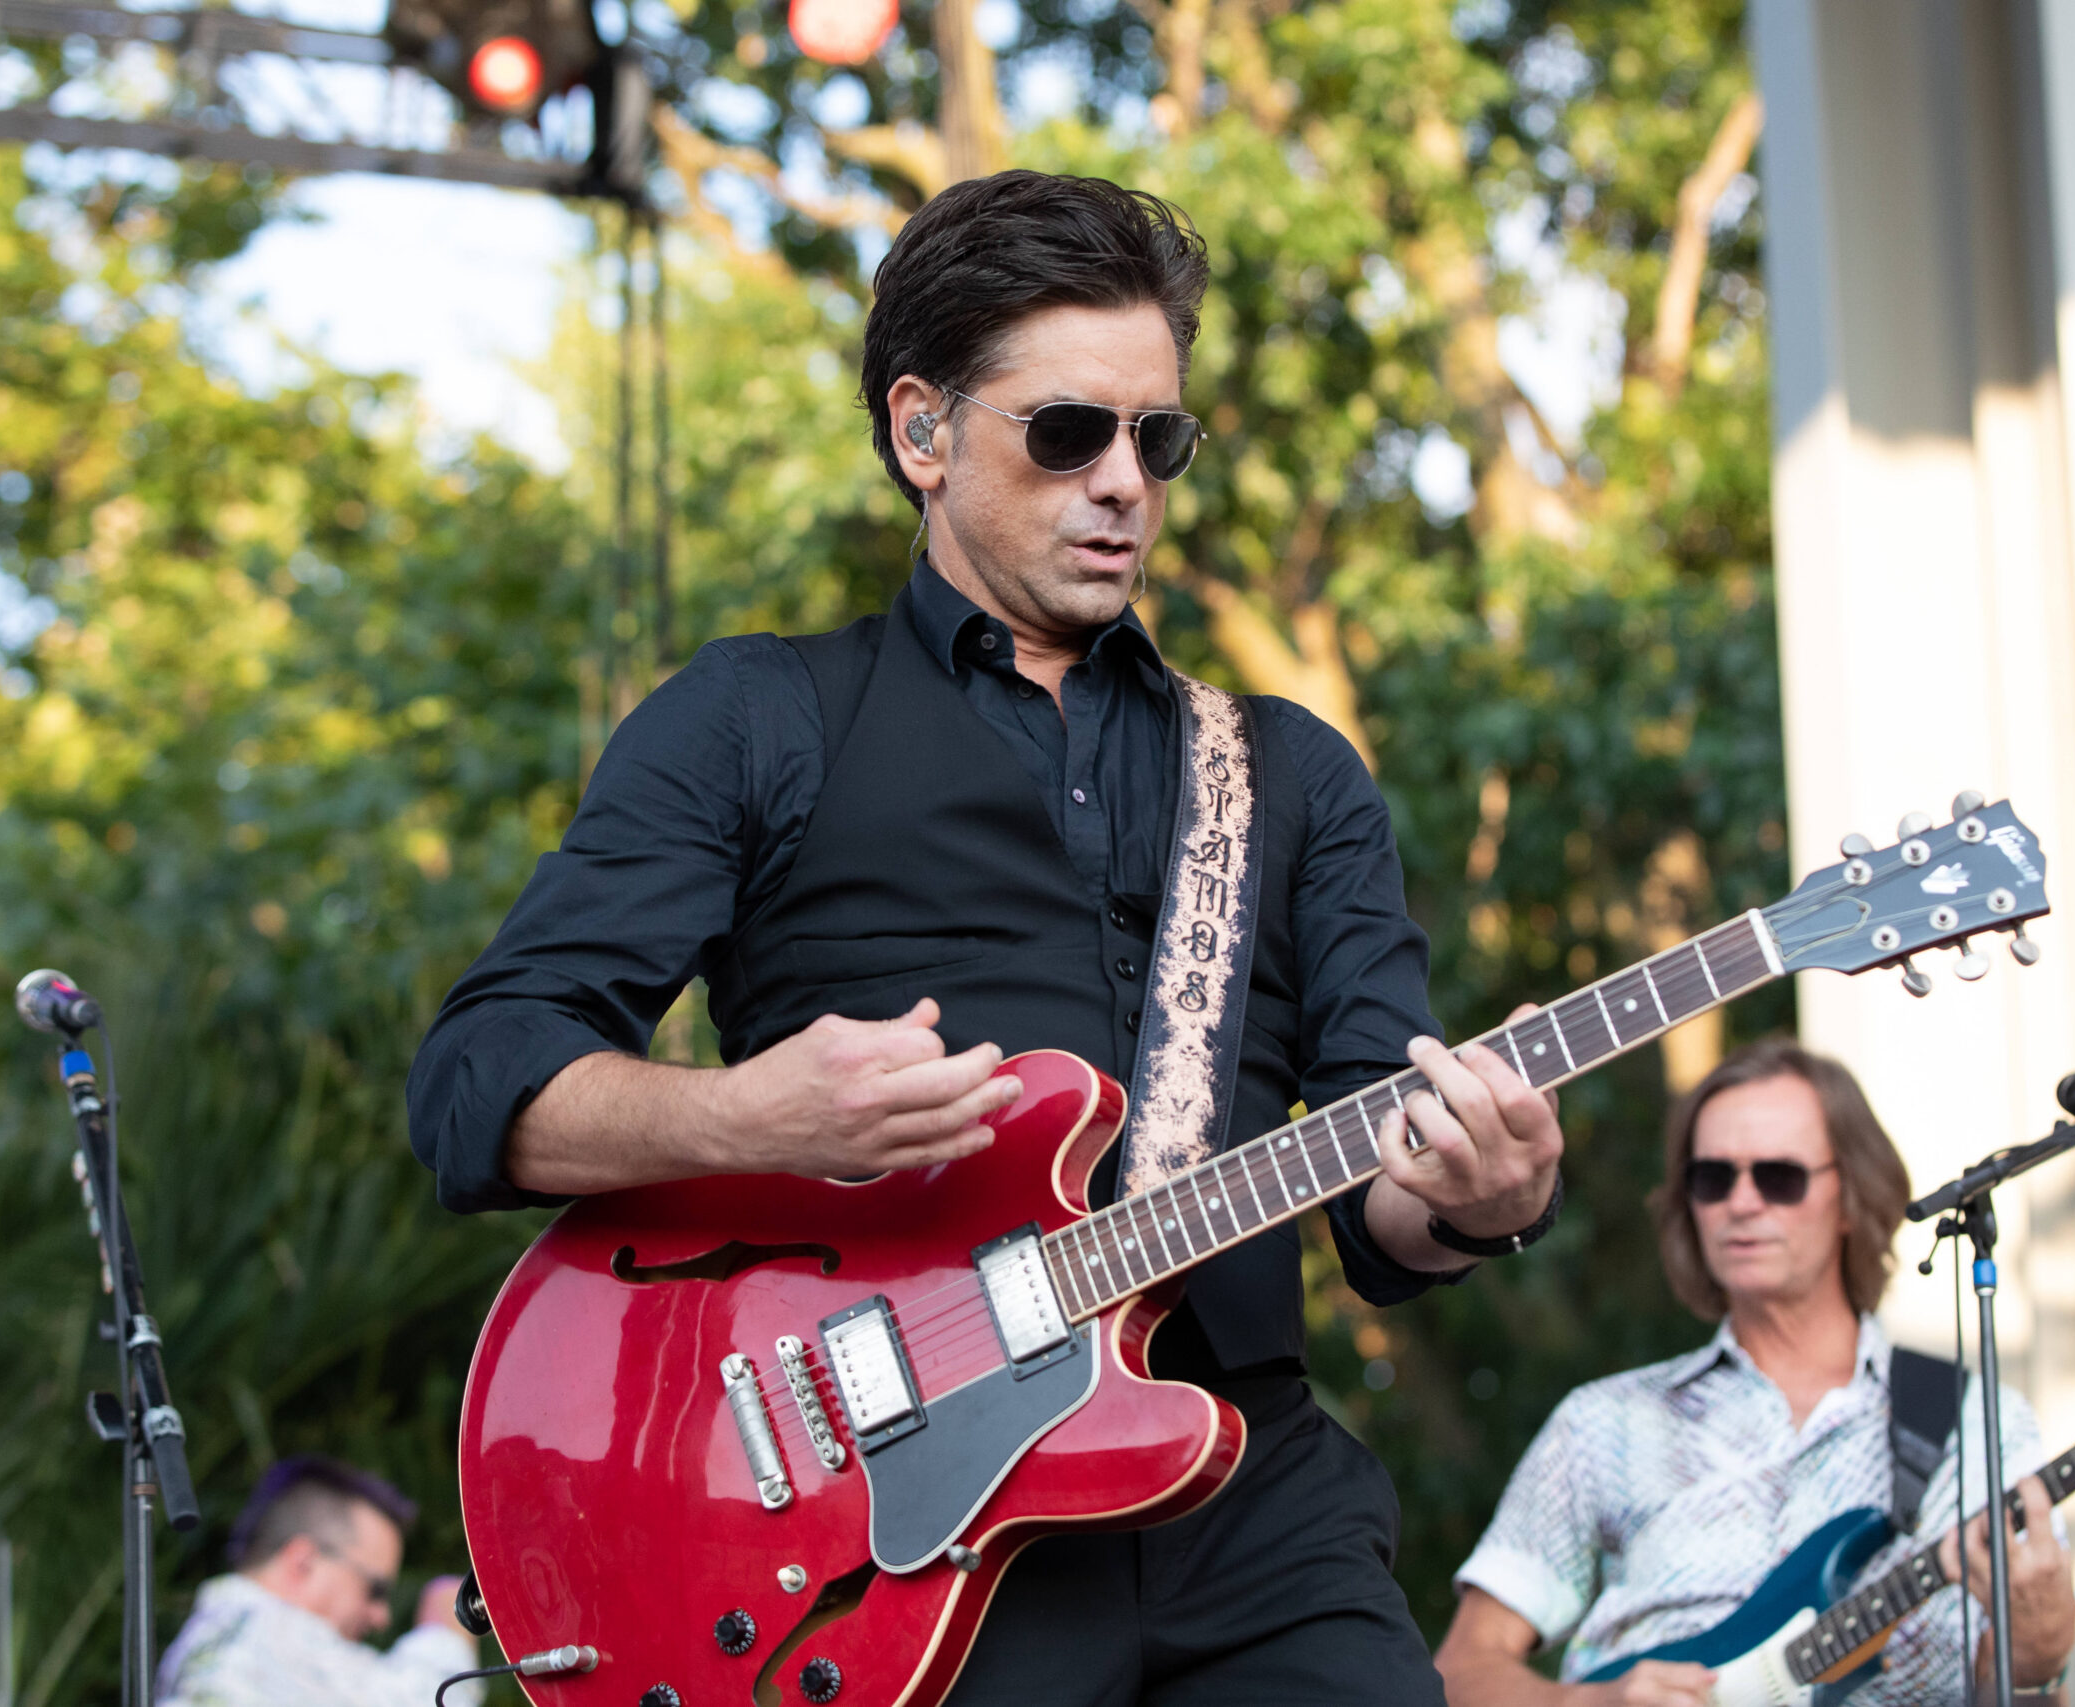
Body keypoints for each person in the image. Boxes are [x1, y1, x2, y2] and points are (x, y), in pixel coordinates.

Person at [405, 168, 1566, 1705]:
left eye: (1158, 438)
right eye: (1069, 430)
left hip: (1240, 1486)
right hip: (888, 1517)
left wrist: (1481, 1192)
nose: (1124, 483)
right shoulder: (757, 716)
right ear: (923, 432)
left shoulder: (1286, 770)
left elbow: (1384, 1213)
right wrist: (745, 1113)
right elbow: (477, 1083)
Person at [1435, 1040, 2075, 1707]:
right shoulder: (1605, 1421)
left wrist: (2036, 1653)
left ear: (1853, 1196)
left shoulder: (1980, 1423)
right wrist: (1588, 1703)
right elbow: (1458, 1673)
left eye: (1779, 1175)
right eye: (1713, 1177)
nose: (1742, 1202)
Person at [157, 1455, 481, 1707]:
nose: (381, 1616)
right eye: (374, 1590)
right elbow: (434, 1697)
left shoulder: (210, 1636)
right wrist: (453, 1610)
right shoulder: (268, 1636)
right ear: (303, 1562)